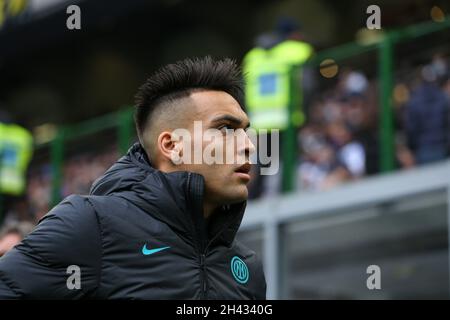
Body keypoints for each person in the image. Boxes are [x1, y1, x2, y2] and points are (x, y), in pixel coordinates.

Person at [0, 57, 266, 299]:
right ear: (172, 145)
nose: (248, 146)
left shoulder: (246, 266)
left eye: (245, 131)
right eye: (225, 129)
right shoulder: (90, 225)